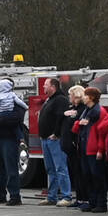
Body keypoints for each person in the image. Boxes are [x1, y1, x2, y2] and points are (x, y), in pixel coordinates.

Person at [0, 78, 27, 206]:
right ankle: (0, 193)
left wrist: (0, 119)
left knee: (11, 168)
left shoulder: (15, 101)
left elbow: (18, 117)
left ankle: (15, 196)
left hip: (10, 139)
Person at [37, 76, 74, 206]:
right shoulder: (49, 100)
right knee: (50, 169)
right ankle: (51, 196)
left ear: (53, 87)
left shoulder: (60, 100)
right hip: (45, 139)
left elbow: (61, 117)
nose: (43, 87)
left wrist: (56, 133)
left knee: (60, 168)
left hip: (55, 140)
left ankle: (66, 196)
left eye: (46, 85)